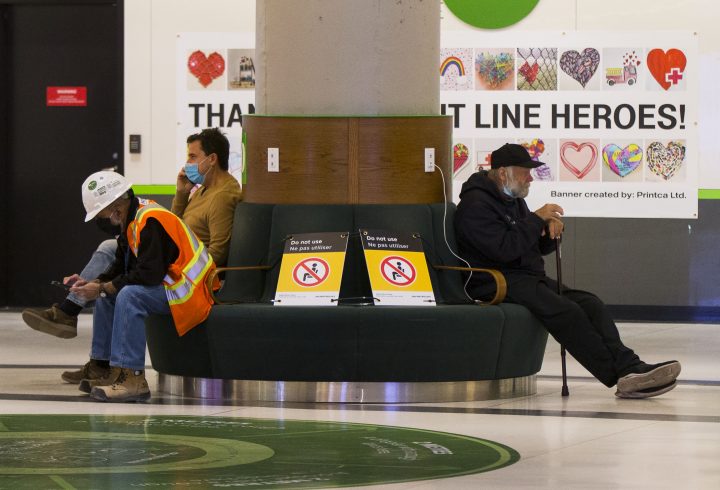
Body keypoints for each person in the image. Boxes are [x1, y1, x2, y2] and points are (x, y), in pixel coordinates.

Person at [454, 143, 681, 399]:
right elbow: (503, 250)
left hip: (524, 277)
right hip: (495, 281)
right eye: (524, 172)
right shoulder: (475, 205)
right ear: (504, 173)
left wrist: (548, 232)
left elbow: (528, 244)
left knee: (590, 303)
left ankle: (630, 366)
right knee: (567, 312)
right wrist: (535, 219)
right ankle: (620, 376)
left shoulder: (513, 200)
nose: (530, 177)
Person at [22, 128, 242, 385]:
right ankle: (101, 364)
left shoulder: (222, 196)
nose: (187, 163)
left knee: (124, 291)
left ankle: (128, 374)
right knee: (108, 287)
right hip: (171, 268)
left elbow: (206, 252)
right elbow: (172, 227)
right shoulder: (193, 193)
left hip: (189, 283)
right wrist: (98, 285)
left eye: (193, 157)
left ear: (212, 158)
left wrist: (106, 285)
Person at [68, 170, 217, 402]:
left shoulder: (150, 221)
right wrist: (96, 283)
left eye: (103, 212)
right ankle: (106, 368)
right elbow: (121, 263)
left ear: (116, 205)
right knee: (109, 295)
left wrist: (103, 288)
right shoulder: (133, 219)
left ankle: (132, 378)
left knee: (129, 295)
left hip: (190, 292)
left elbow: (149, 275)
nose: (104, 218)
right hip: (173, 286)